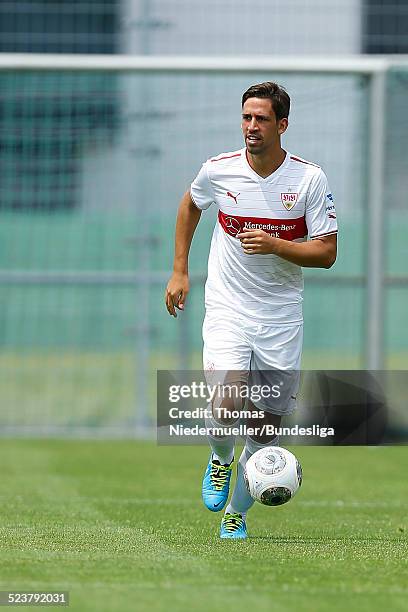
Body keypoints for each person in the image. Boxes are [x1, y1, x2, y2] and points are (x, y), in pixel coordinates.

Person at [165, 81, 337, 539]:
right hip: (228, 307)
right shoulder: (218, 170)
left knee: (264, 428)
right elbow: (190, 205)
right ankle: (221, 458)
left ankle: (236, 515)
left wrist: (277, 244)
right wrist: (179, 271)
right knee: (226, 400)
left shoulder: (308, 180)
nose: (251, 126)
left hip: (281, 317)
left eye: (261, 119)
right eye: (246, 117)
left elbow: (326, 253)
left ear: (282, 125)